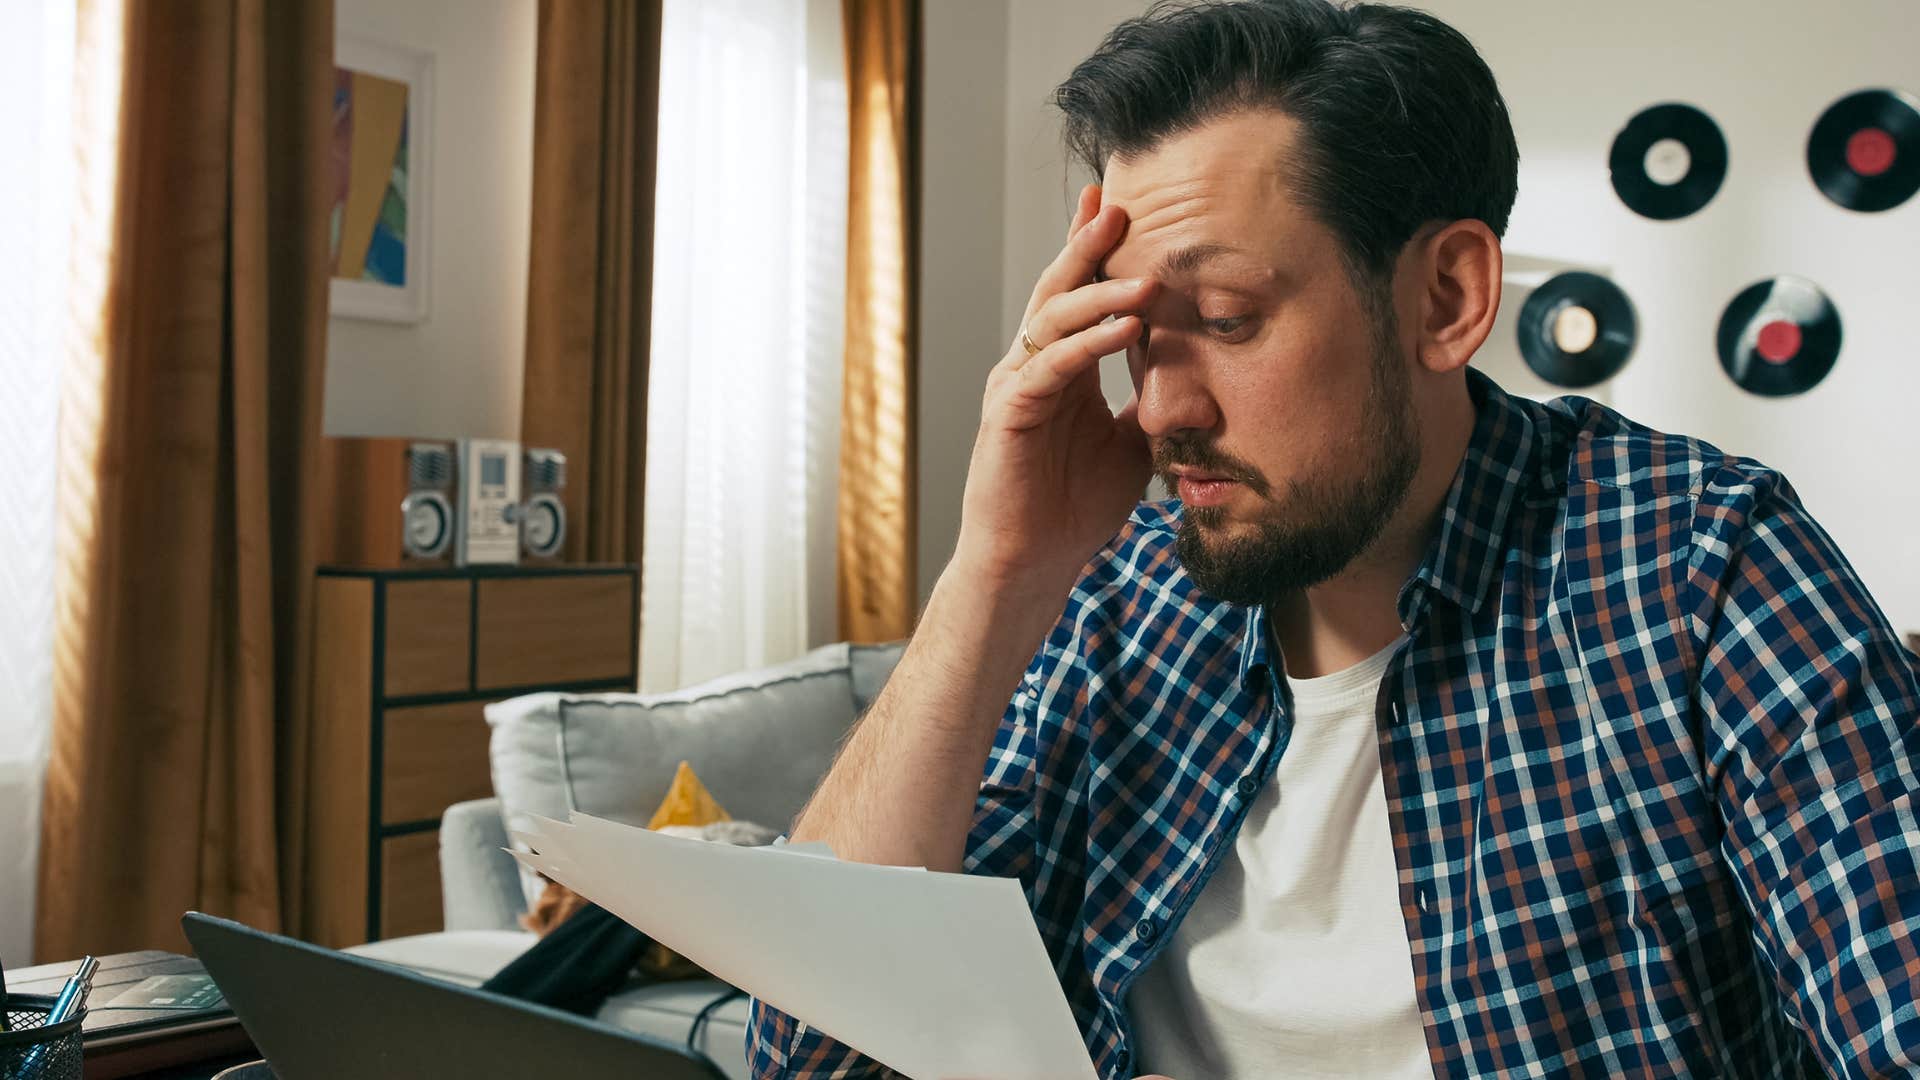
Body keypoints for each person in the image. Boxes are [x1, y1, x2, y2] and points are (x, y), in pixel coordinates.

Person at [748, 1, 1920, 1076]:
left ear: (1447, 298)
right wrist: (993, 576)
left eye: (1223, 320)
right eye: (1132, 332)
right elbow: (811, 1056)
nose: (1161, 409)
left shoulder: (1700, 566)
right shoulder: (1117, 605)